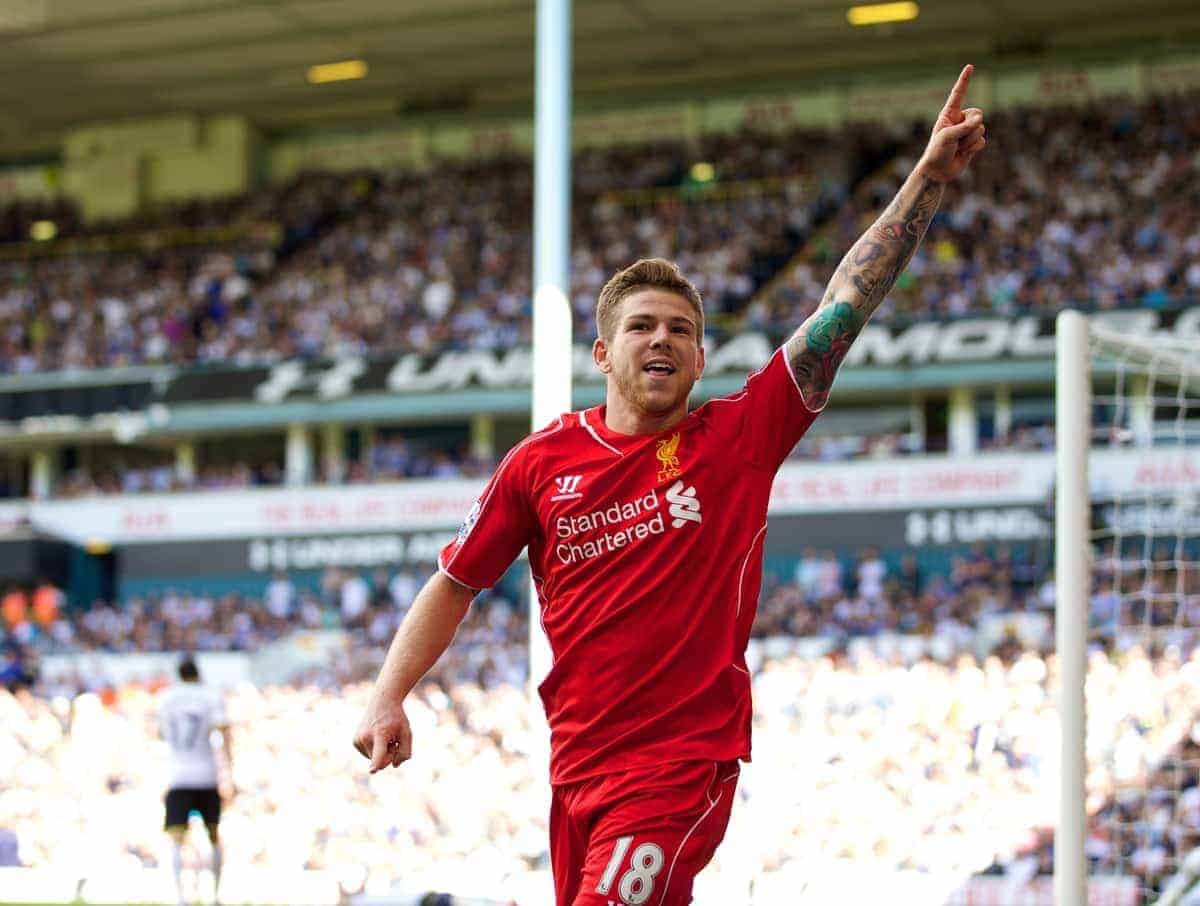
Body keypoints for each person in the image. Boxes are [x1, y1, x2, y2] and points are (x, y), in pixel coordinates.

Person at [354, 65, 987, 904]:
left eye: (681, 330)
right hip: (576, 770)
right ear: (603, 354)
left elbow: (843, 307)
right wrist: (388, 694)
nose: (662, 340)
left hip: (679, 768)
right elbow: (456, 580)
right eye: (641, 326)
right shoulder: (539, 464)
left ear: (698, 358)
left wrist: (926, 181)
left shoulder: (738, 437)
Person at [160, 656, 233, 906]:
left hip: (178, 774)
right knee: (213, 835)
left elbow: (162, 735)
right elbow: (224, 732)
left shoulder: (167, 698)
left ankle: (182, 898)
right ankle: (215, 896)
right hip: (207, 774)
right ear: (197, 673)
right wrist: (229, 773)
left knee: (177, 838)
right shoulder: (210, 696)